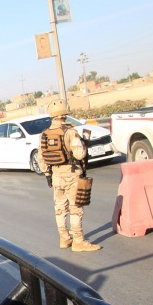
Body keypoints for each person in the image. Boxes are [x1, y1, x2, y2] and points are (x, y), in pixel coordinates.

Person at [40, 99, 101, 252]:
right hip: (72, 174)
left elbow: (41, 157)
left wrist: (47, 174)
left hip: (56, 176)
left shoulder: (45, 134)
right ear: (64, 113)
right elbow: (79, 154)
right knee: (76, 209)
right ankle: (78, 241)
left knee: (60, 209)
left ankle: (64, 238)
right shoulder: (70, 131)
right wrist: (84, 145)